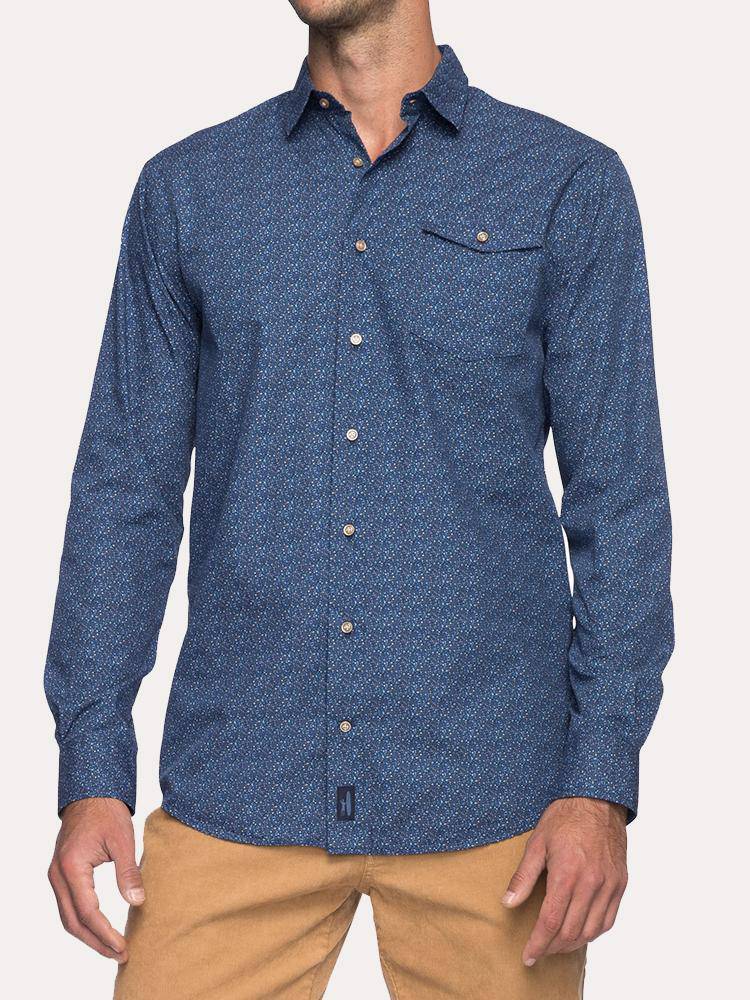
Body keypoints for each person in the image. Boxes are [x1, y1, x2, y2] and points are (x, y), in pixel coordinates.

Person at [44, 1, 674, 996]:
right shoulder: (190, 190)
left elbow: (621, 501)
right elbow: (126, 489)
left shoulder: (563, 182)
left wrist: (599, 784)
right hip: (241, 781)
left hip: (493, 805)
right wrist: (91, 768)